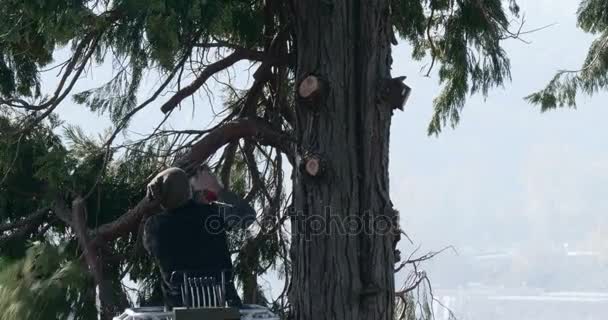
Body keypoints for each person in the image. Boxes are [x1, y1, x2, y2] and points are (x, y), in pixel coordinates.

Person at [143, 166, 256, 309]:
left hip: (178, 312)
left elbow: (151, 251)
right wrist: (217, 190)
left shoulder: (154, 226)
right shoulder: (213, 214)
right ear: (188, 190)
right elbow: (248, 216)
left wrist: (156, 204)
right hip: (225, 308)